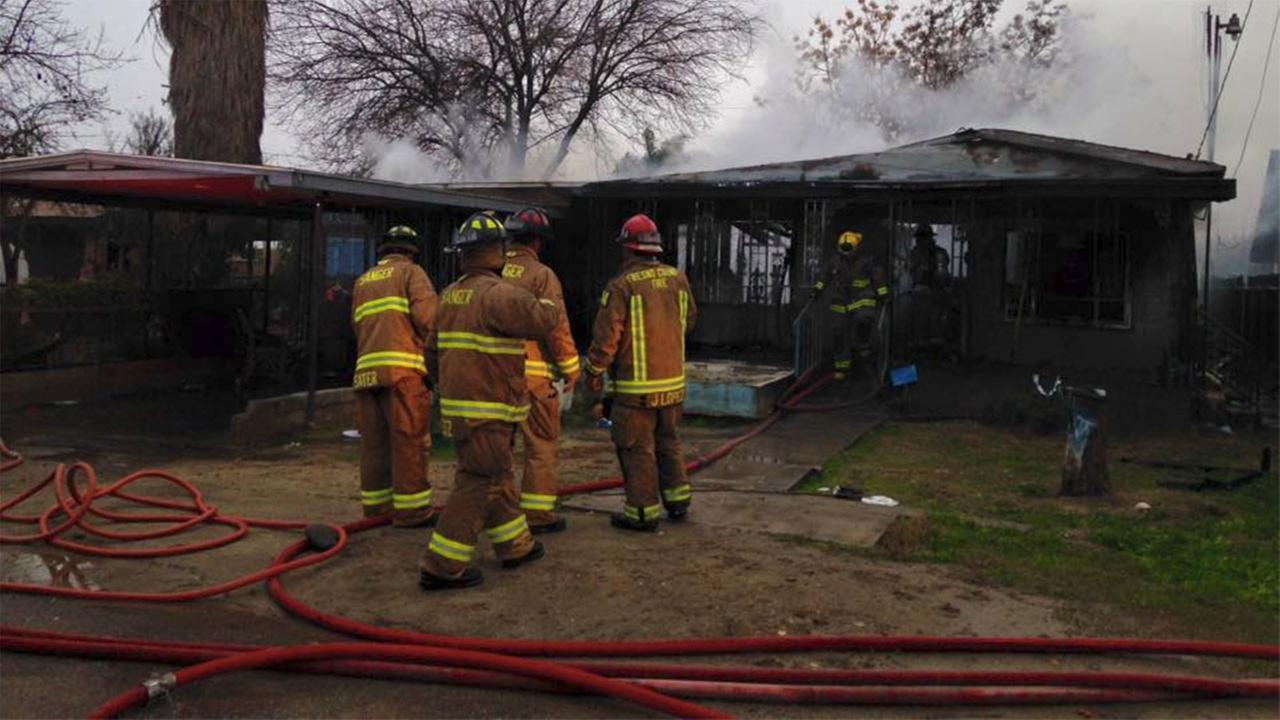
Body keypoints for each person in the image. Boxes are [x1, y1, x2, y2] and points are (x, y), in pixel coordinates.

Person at [419, 211, 561, 591]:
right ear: (496, 251)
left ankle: (516, 545)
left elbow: (430, 355)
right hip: (490, 410)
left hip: (461, 411)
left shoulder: (449, 296)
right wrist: (548, 286)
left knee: (497, 475)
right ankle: (441, 565)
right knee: (478, 482)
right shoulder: (498, 294)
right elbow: (545, 319)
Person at [584, 214, 698, 532]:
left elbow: (607, 336)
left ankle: (642, 513)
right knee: (669, 442)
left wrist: (594, 370)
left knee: (637, 448)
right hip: (673, 387)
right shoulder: (678, 279)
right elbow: (689, 321)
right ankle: (678, 501)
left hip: (636, 391)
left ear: (628, 249)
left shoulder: (622, 286)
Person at [350, 225, 438, 527]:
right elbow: (429, 322)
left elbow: (357, 326)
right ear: (412, 251)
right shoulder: (412, 273)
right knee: (409, 442)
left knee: (374, 445)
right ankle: (413, 512)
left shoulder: (363, 281)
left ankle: (377, 510)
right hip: (403, 373)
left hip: (366, 374)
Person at [501, 207, 581, 535]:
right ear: (537, 242)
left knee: (496, 449)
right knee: (540, 445)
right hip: (532, 378)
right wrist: (571, 368)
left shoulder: (489, 272)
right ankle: (536, 515)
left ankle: (498, 512)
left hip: (493, 378)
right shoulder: (541, 275)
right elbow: (555, 327)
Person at [809, 230, 889, 380]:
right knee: (839, 332)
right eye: (843, 249)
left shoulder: (867, 261)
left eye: (849, 249)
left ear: (857, 248)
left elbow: (878, 278)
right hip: (841, 301)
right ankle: (842, 366)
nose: (846, 252)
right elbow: (824, 277)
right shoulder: (835, 262)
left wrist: (883, 294)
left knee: (863, 319)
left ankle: (864, 346)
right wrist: (817, 290)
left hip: (862, 298)